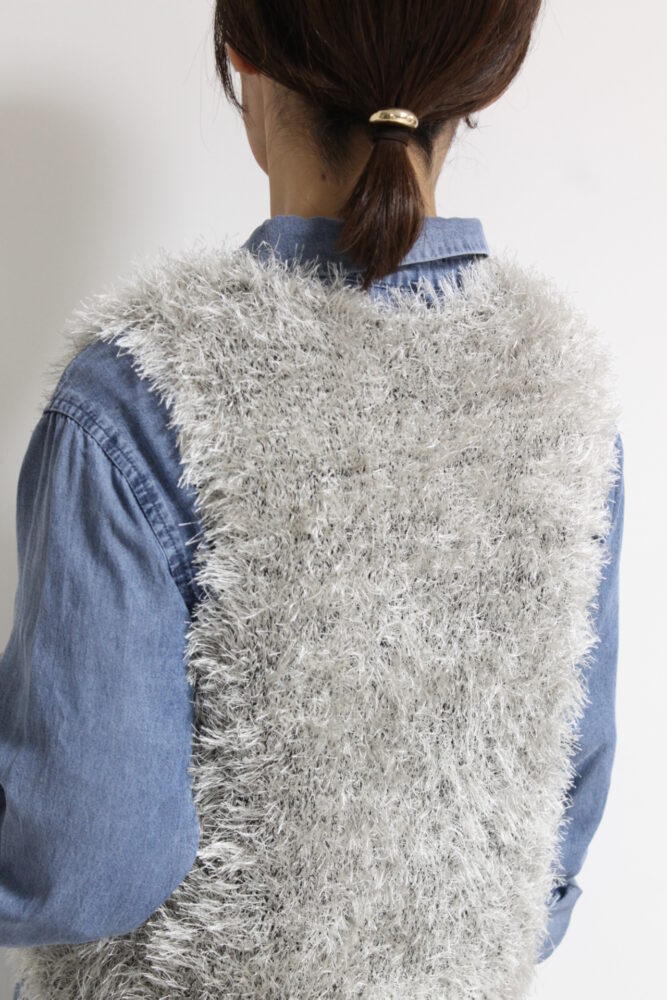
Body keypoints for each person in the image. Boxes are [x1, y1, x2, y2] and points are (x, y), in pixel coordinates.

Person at [1, 3, 624, 998]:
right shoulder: (561, 390)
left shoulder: (145, 392)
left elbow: (84, 863)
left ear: (243, 54)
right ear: (487, 75)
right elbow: (555, 822)